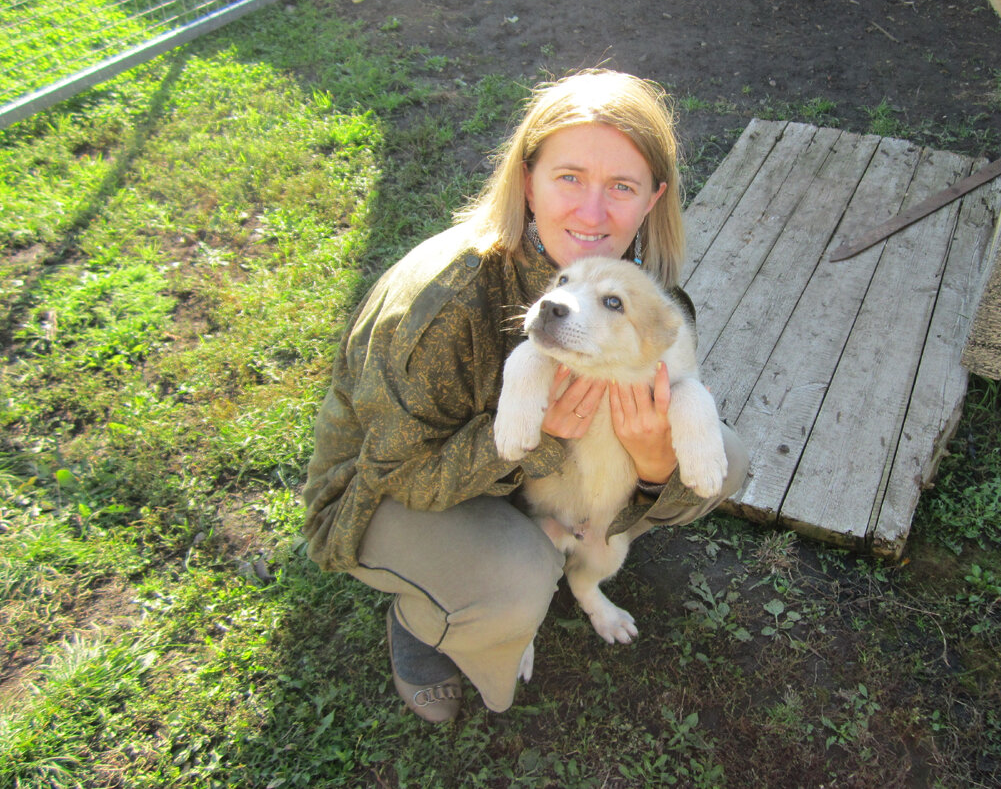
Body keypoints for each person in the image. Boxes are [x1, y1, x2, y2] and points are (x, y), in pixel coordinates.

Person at [301, 69, 749, 723]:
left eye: (621, 187)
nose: (593, 213)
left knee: (725, 456)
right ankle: (427, 616)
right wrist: (537, 441)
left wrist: (657, 466)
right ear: (527, 179)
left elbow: (678, 413)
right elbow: (398, 472)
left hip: (529, 483)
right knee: (514, 578)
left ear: (653, 199)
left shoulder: (630, 278)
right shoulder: (444, 305)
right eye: (569, 177)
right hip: (382, 490)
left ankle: (567, 555)